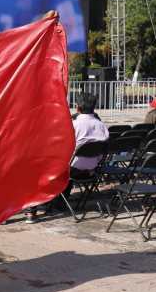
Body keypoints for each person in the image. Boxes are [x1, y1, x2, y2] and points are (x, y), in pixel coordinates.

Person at [24, 92, 109, 223]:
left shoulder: (73, 125)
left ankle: (31, 211)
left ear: (77, 107)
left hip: (70, 169)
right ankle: (58, 203)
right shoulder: (102, 126)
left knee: (34, 169)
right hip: (92, 170)